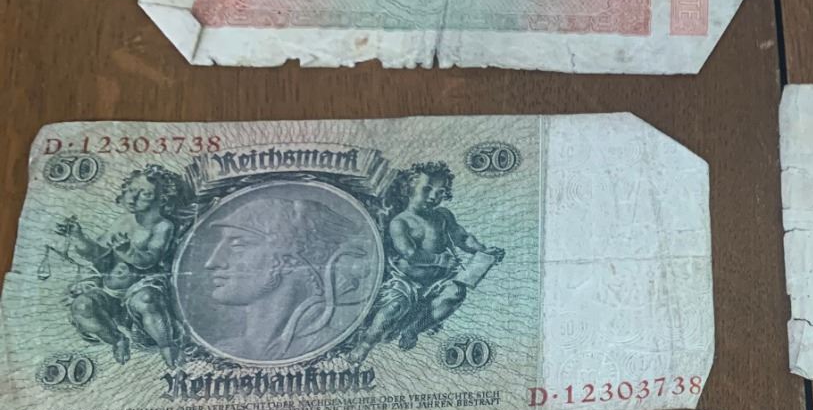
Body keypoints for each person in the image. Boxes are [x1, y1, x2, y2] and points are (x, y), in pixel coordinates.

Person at [187, 185, 380, 364]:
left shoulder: (321, 343)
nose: (212, 262)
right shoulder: (227, 350)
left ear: (288, 258)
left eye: (238, 245)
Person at [346, 163, 504, 365]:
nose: (433, 196)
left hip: (438, 280)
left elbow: (463, 238)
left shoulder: (443, 216)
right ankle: (366, 344)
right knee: (392, 308)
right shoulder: (400, 222)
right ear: (409, 188)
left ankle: (414, 329)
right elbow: (409, 253)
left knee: (456, 293)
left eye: (440, 192)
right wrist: (439, 260)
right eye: (427, 189)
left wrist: (482, 250)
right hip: (405, 281)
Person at [57, 167, 189, 367]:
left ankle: (167, 345)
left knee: (146, 300)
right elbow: (98, 255)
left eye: (145, 194)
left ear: (162, 199)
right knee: (82, 306)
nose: (133, 198)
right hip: (109, 290)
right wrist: (79, 237)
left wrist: (128, 252)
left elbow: (150, 260)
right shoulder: (123, 221)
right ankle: (116, 339)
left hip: (141, 287)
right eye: (131, 190)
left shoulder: (163, 226)